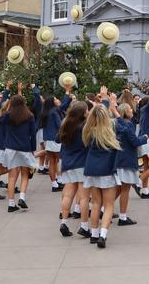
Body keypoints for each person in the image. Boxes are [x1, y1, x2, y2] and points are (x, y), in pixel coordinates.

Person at [83, 87, 121, 248]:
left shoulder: (88, 130)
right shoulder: (112, 128)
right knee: (109, 205)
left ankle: (94, 233)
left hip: (92, 170)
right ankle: (103, 235)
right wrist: (109, 101)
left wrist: (103, 101)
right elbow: (124, 122)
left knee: (96, 203)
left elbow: (98, 113)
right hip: (107, 170)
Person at [57, 101, 92, 238]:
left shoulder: (65, 124)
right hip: (82, 164)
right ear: (83, 113)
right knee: (84, 198)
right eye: (87, 110)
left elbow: (57, 139)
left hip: (67, 164)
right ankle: (84, 226)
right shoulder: (85, 127)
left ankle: (64, 222)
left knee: (67, 195)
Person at [111, 95, 147, 226]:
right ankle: (123, 217)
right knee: (125, 189)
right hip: (127, 160)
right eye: (130, 110)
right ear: (125, 112)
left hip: (119, 158)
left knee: (118, 189)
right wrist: (144, 138)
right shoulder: (128, 124)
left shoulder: (117, 124)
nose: (132, 111)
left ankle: (104, 209)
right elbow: (135, 142)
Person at [0, 95, 37, 212]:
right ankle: (21, 197)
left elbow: (0, 121)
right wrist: (33, 148)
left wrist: (8, 107)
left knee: (12, 177)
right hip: (25, 147)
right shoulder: (29, 116)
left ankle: (11, 204)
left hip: (10, 148)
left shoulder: (8, 116)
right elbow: (33, 133)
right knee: (25, 175)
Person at [39, 85, 73, 192]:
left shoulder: (47, 112)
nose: (57, 100)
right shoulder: (54, 111)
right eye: (55, 99)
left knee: (52, 162)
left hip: (49, 140)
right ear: (52, 103)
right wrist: (67, 92)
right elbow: (60, 123)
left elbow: (63, 105)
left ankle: (54, 183)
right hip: (55, 139)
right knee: (62, 159)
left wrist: (68, 95)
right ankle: (61, 180)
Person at [134, 82, 149, 199]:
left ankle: (145, 191)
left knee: (146, 167)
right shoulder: (147, 109)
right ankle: (139, 181)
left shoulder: (144, 111)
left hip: (144, 140)